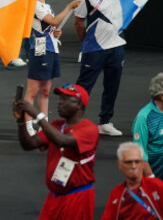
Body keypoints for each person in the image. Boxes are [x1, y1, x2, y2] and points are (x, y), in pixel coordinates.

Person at [13, 84, 99, 220]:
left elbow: (62, 140)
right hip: (54, 196)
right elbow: (29, 144)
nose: (59, 102)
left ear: (79, 104)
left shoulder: (90, 129)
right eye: (60, 98)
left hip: (77, 197)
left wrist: (37, 115)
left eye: (65, 99)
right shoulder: (56, 125)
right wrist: (21, 121)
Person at [75, 0, 126, 136]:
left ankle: (105, 122)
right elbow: (78, 22)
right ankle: (74, 122)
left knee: (112, 86)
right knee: (83, 87)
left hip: (116, 46)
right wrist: (86, 42)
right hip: (94, 49)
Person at [23, 0, 80, 136]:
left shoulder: (46, 6)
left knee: (46, 91)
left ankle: (43, 125)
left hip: (52, 49)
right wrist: (69, 6)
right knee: (32, 91)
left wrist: (55, 33)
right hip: (41, 51)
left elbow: (49, 26)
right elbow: (54, 21)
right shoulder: (35, 5)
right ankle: (27, 125)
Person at [101, 142, 163, 220]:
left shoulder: (158, 187)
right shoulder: (116, 193)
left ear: (142, 163)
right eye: (129, 162)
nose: (133, 166)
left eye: (137, 161)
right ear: (120, 165)